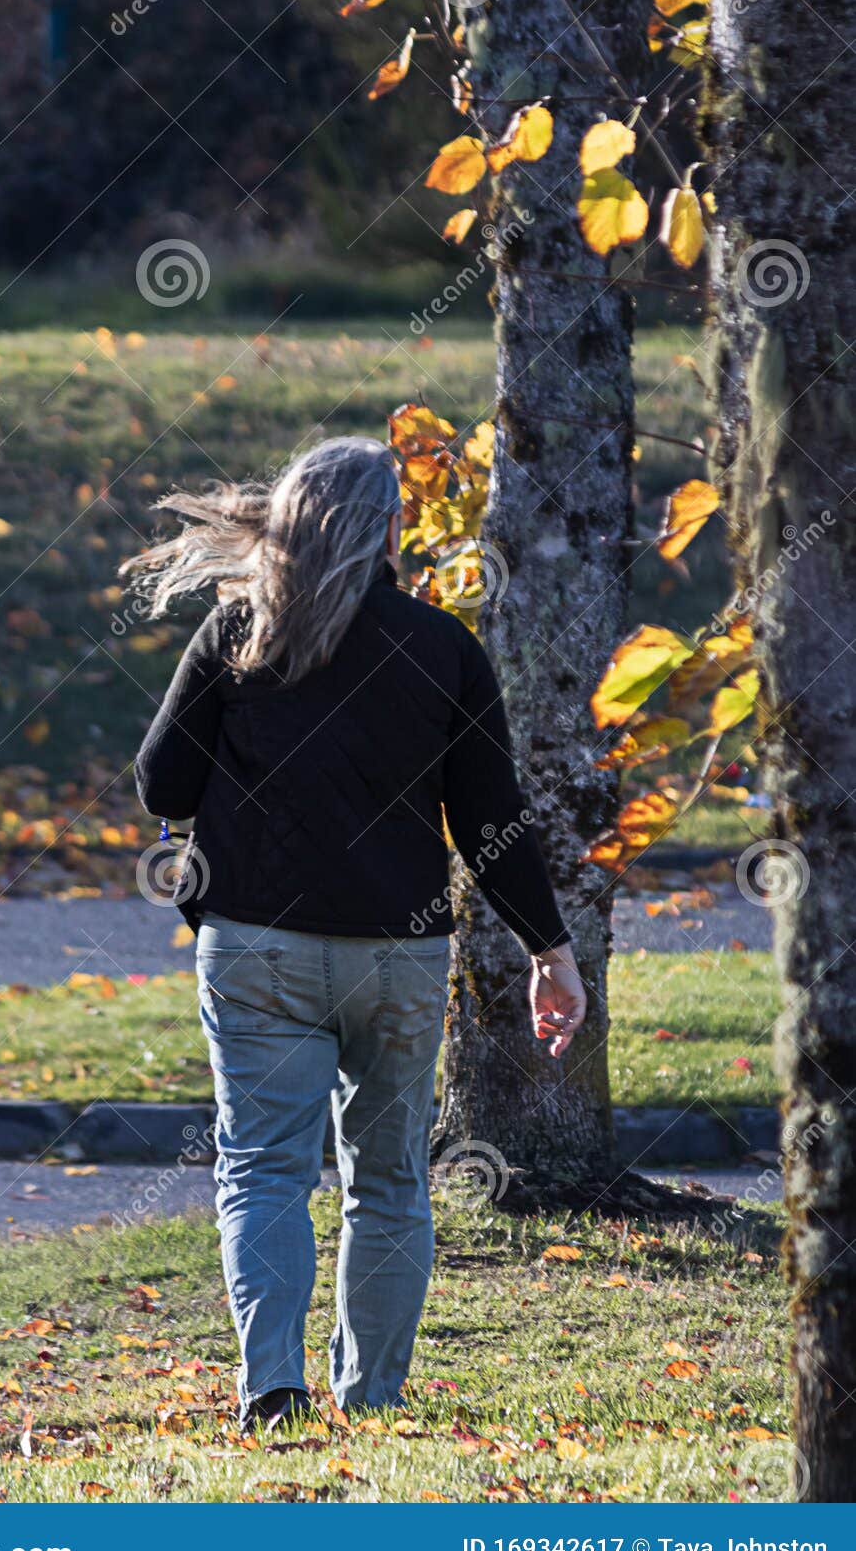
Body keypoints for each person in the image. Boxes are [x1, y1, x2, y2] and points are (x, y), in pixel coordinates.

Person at [128, 436, 586, 1433]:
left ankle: (271, 1391)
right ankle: (371, 1399)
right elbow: (489, 821)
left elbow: (161, 782)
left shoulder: (237, 631)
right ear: (389, 528)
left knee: (261, 1168)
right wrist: (550, 952)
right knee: (388, 1178)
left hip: (255, 945)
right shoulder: (441, 648)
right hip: (398, 951)